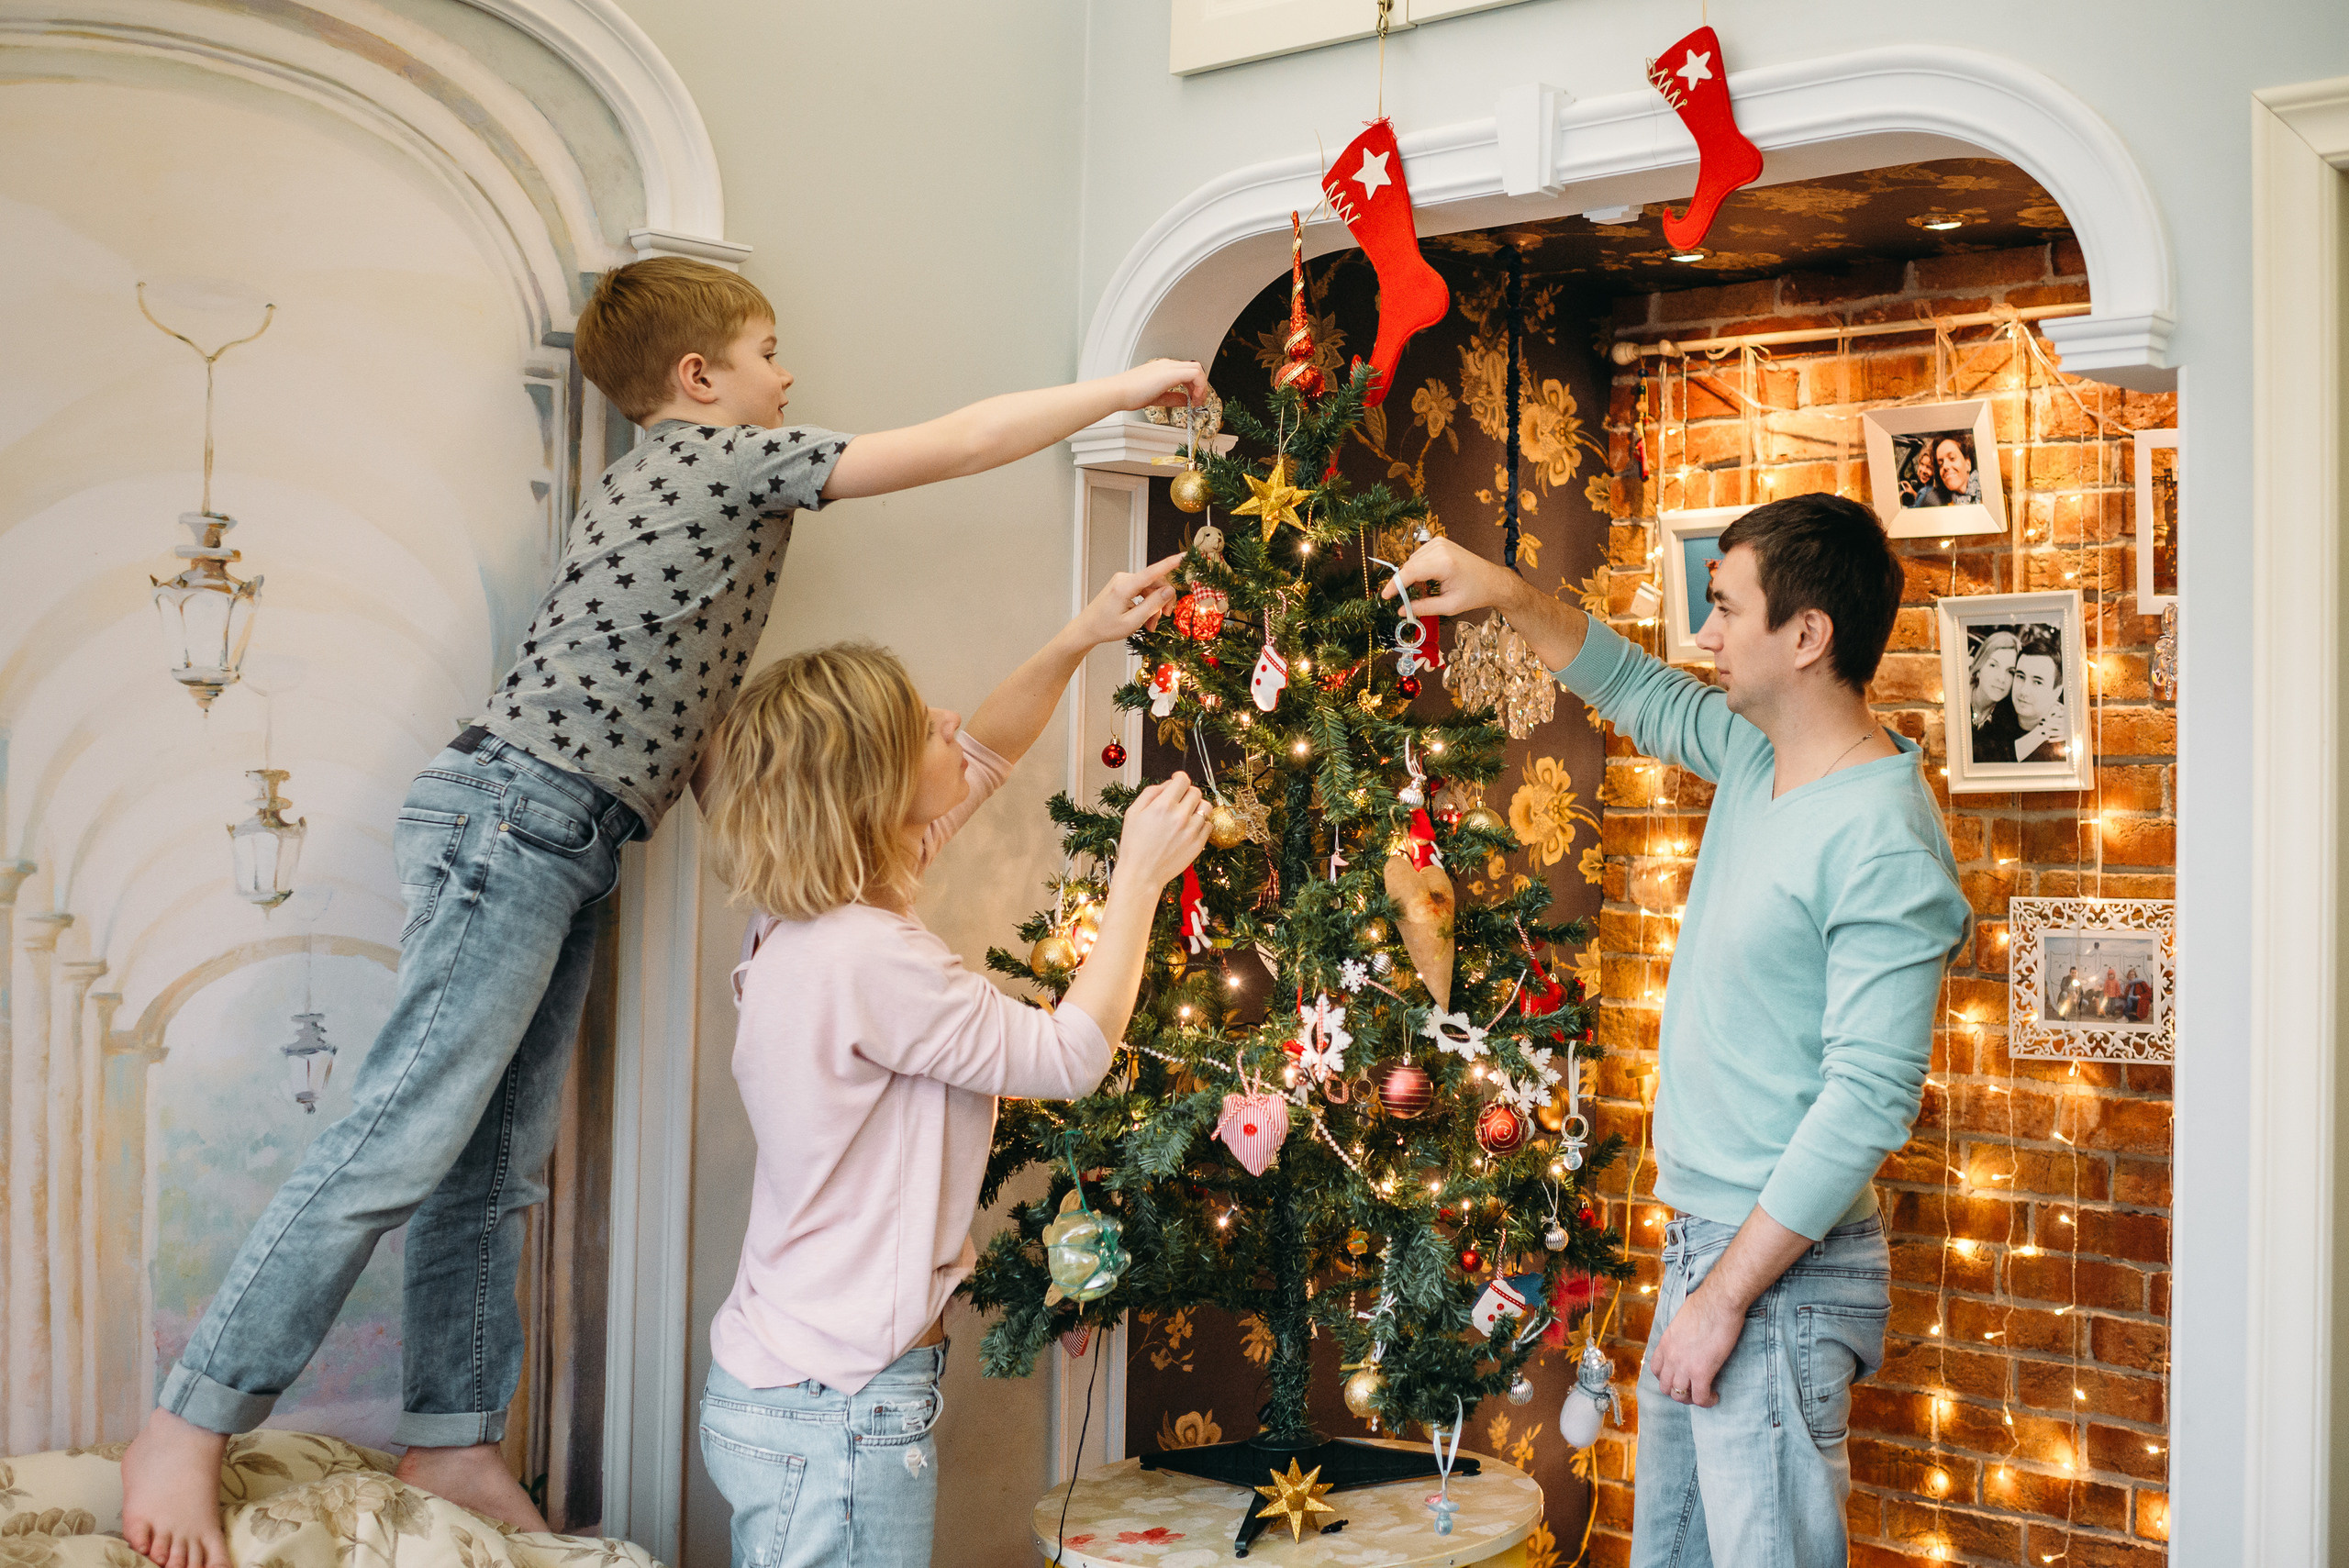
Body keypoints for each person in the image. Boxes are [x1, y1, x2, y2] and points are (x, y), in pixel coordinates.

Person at [119, 254, 1212, 1568]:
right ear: (699, 382)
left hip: (570, 831)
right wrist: (1131, 385)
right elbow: (954, 444)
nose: (789, 375)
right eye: (767, 350)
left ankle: (454, 1433)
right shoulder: (711, 460)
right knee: (397, 1139)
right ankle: (190, 1420)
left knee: (490, 1159)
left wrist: (1086, 628)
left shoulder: (673, 504)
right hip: (516, 815)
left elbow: (968, 754)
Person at [1386, 494, 1967, 1566]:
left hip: (1775, 1277)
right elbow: (1634, 687)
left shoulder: (1881, 839)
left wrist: (1724, 1297)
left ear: (1805, 635)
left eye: (1723, 607)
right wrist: (1507, 593)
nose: (1701, 636)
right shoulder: (1758, 756)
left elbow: (1866, 1104)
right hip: (1710, 1248)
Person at [695, 575, 1211, 1568]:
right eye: (916, 725)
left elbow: (987, 748)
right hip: (834, 1406)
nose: (946, 719)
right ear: (870, 789)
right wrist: (1139, 875)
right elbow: (1072, 1054)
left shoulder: (814, 915)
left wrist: (1080, 636)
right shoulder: (868, 958)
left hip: (788, 1385)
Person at [2007, 627, 2068, 762]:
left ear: (2057, 691)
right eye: (2020, 677)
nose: (2023, 691)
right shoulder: (1996, 713)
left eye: (2037, 682)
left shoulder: (2062, 742)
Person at [1966, 628, 2022, 764]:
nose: (2001, 679)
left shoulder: (2008, 720)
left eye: (2010, 671)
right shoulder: (1959, 700)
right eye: (1993, 665)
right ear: (1978, 668)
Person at [1910, 434, 1982, 507]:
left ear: (1968, 464)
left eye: (1952, 458)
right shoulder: (1936, 503)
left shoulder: (1987, 487)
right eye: (1940, 464)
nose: (1945, 466)